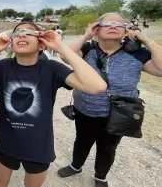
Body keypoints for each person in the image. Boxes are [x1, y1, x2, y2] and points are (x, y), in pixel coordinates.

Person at [0, 21, 107, 187]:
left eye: (29, 32)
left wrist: (60, 47)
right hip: (7, 141)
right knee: (0, 184)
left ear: (41, 44)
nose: (22, 35)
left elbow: (98, 86)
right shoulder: (4, 67)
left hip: (38, 145)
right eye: (17, 33)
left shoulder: (52, 69)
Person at [57, 12, 162, 187]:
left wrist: (146, 40)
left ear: (126, 29)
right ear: (97, 29)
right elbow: (64, 55)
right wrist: (86, 35)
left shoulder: (137, 53)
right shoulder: (88, 49)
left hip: (120, 113)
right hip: (85, 109)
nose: (113, 26)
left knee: (108, 147)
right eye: (107, 23)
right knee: (82, 140)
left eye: (119, 24)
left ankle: (100, 176)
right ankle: (76, 166)